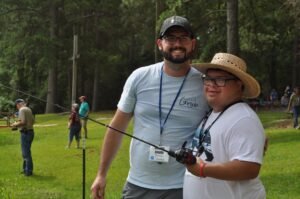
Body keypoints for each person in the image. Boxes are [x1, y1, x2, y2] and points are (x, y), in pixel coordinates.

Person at [91, 15, 209, 199]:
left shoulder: (205, 84)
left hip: (185, 185)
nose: (177, 43)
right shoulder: (139, 77)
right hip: (139, 185)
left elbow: (228, 114)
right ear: (159, 44)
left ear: (192, 44)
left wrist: (252, 132)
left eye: (183, 38)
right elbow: (116, 127)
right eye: (170, 38)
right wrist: (101, 174)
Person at [183, 53, 266, 199]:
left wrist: (203, 169)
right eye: (208, 79)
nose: (211, 85)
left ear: (239, 84)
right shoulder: (214, 113)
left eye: (220, 80)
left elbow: (249, 168)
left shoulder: (243, 119)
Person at [11, 99, 35, 176]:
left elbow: (23, 122)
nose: (17, 108)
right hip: (30, 132)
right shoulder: (28, 109)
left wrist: (15, 124)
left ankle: (28, 171)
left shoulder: (21, 110)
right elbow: (32, 121)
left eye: (16, 106)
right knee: (26, 152)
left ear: (18, 104)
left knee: (26, 153)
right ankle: (25, 169)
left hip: (25, 133)